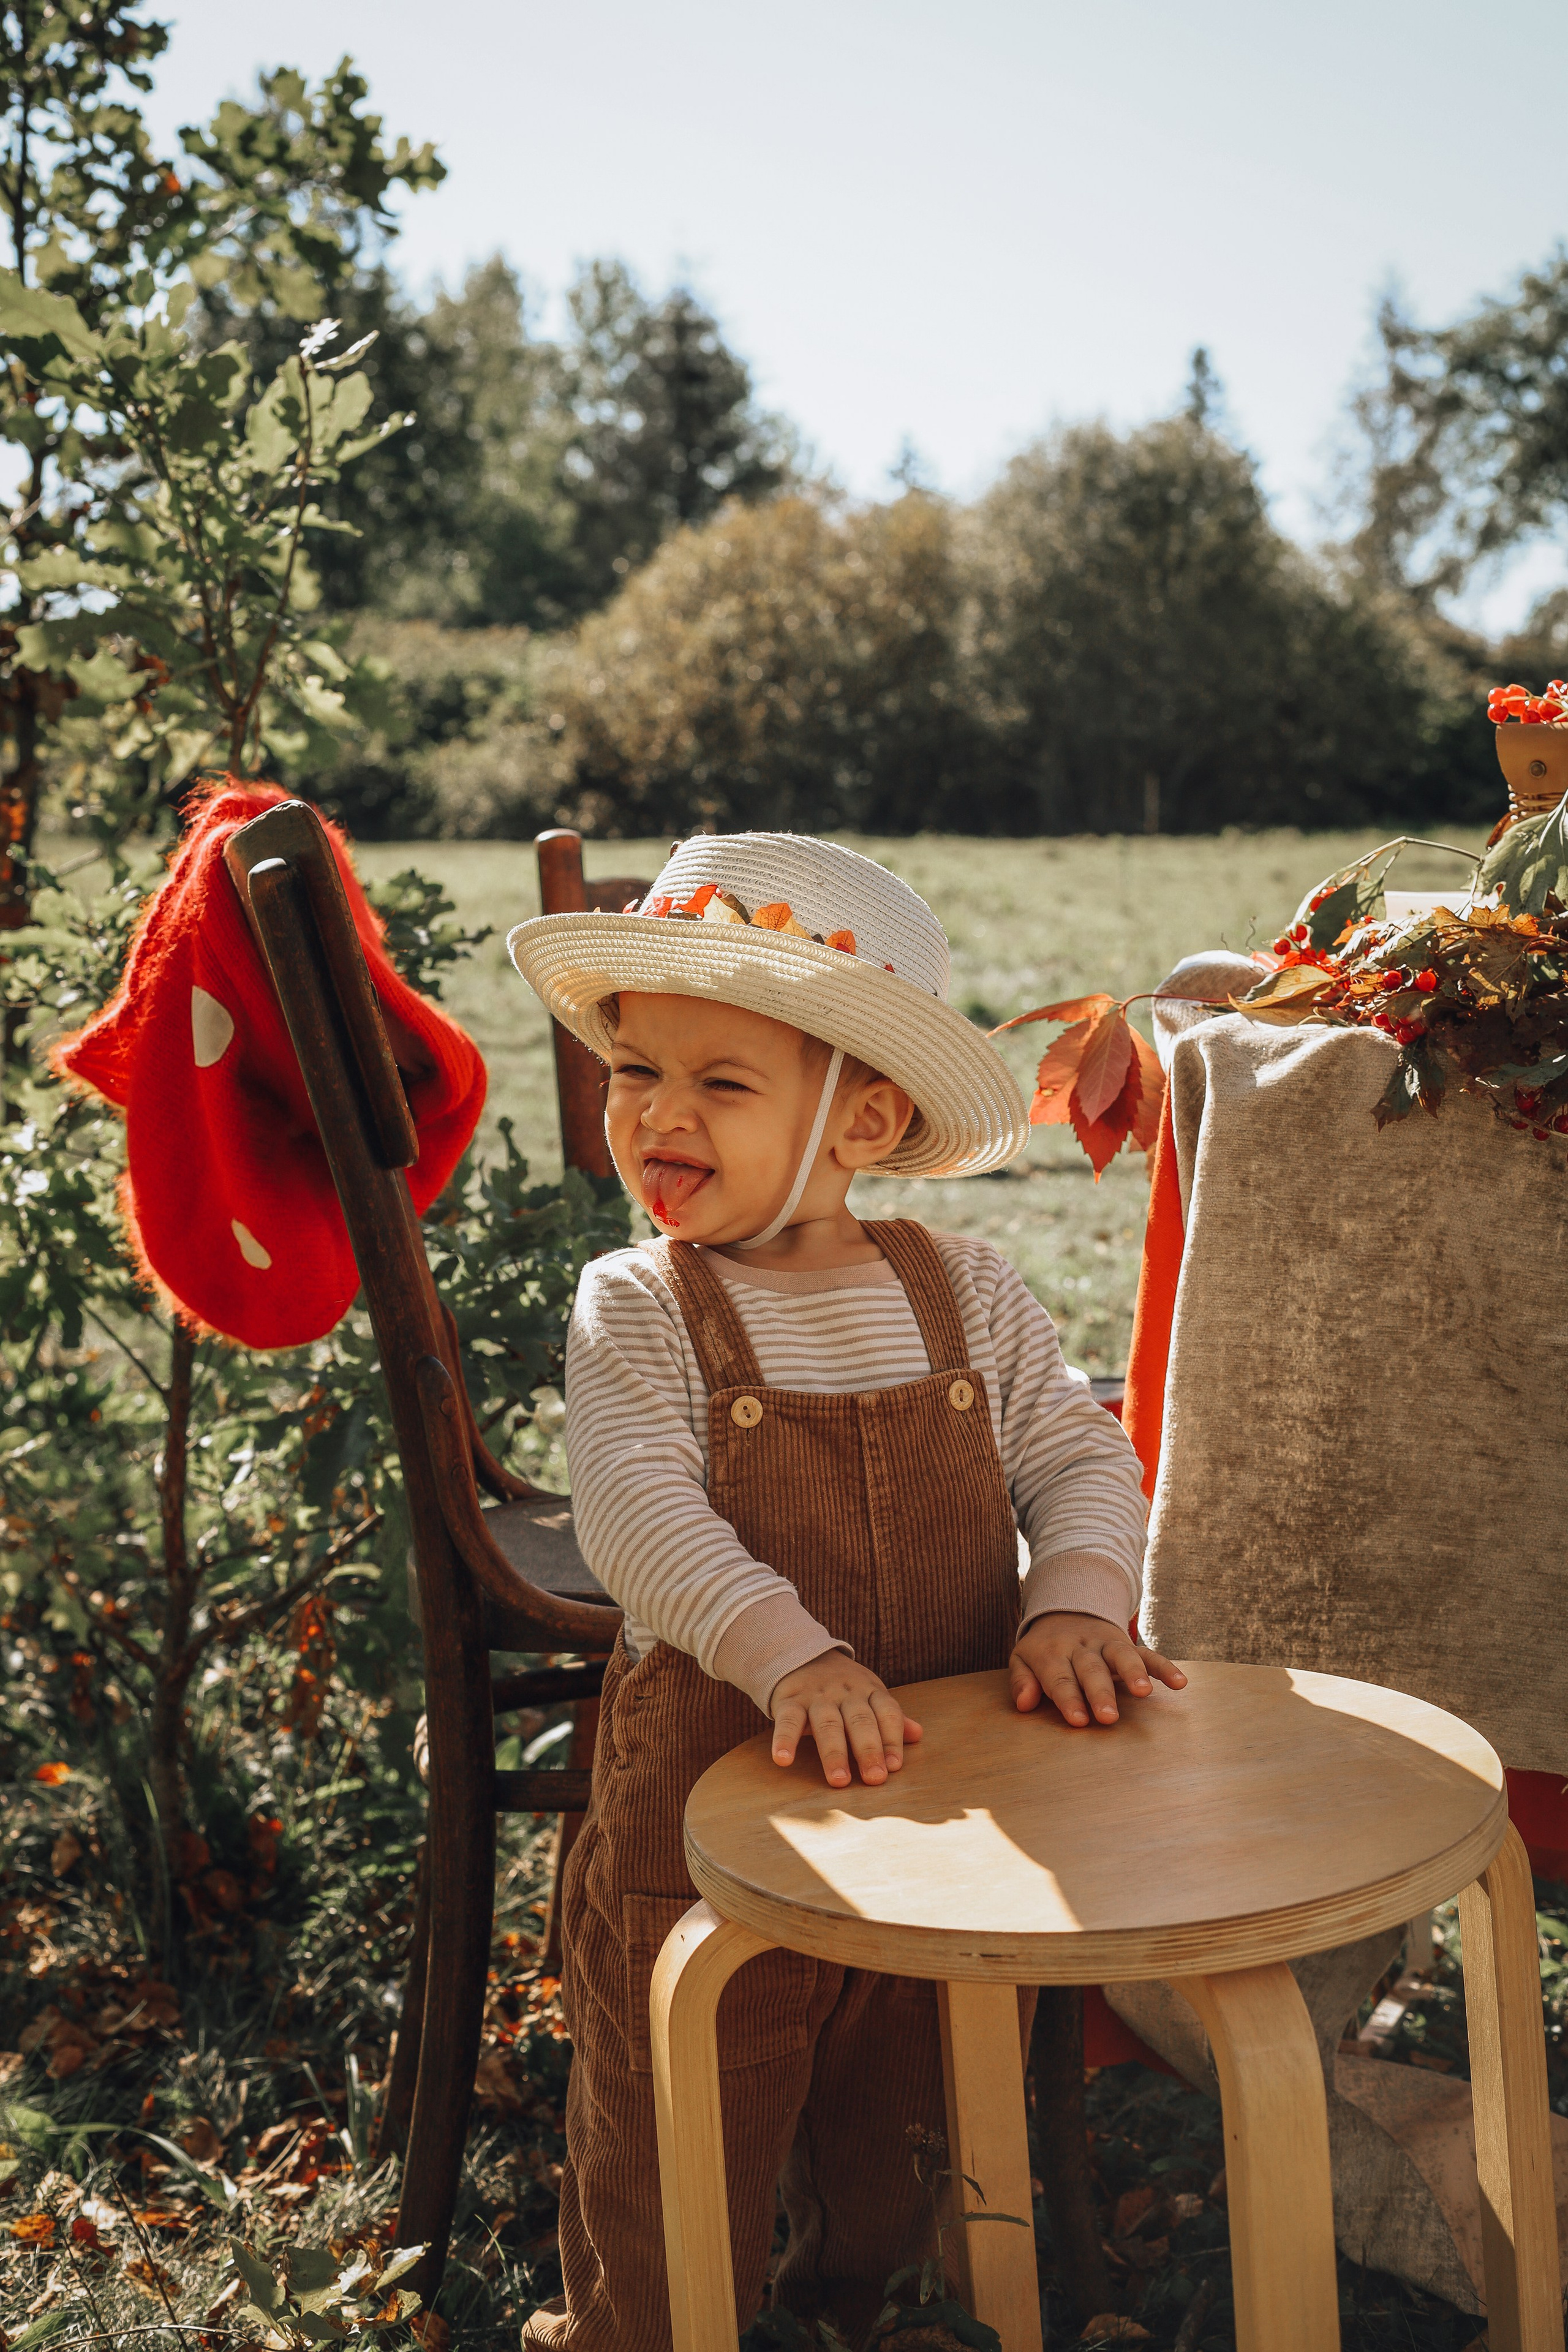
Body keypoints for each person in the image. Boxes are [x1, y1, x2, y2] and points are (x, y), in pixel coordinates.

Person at [507, 833, 1182, 2351]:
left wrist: (1076, 1597)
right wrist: (786, 1653)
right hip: (706, 1815)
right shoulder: (641, 1304)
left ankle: (860, 2309)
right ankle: (644, 2331)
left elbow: (1077, 1452)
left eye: (720, 1082)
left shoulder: (963, 1290)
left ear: (861, 1117)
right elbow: (634, 1510)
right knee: (681, 2123)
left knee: (912, 2119)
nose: (658, 1113)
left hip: (946, 1817)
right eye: (633, 1072)